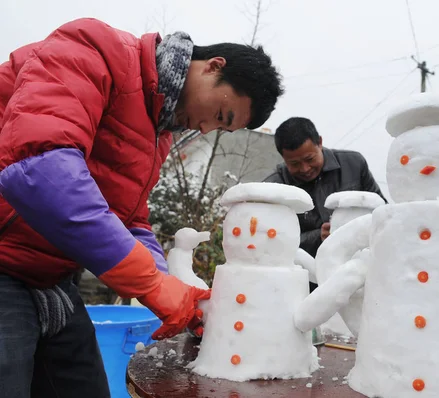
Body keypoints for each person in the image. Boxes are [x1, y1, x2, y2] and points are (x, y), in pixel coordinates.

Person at [0, 18, 283, 397]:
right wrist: (150, 284)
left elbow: (130, 218)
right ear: (214, 66)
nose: (204, 129)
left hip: (50, 278)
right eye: (220, 116)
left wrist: (168, 282)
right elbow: (39, 169)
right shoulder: (94, 50)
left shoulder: (158, 133)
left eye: (220, 130)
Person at [264, 117, 385, 289]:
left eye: (310, 159)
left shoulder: (354, 164)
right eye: (295, 164)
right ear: (283, 158)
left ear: (319, 142)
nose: (305, 169)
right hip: (304, 284)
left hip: (359, 274)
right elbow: (270, 242)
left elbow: (382, 212)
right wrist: (317, 237)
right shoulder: (274, 188)